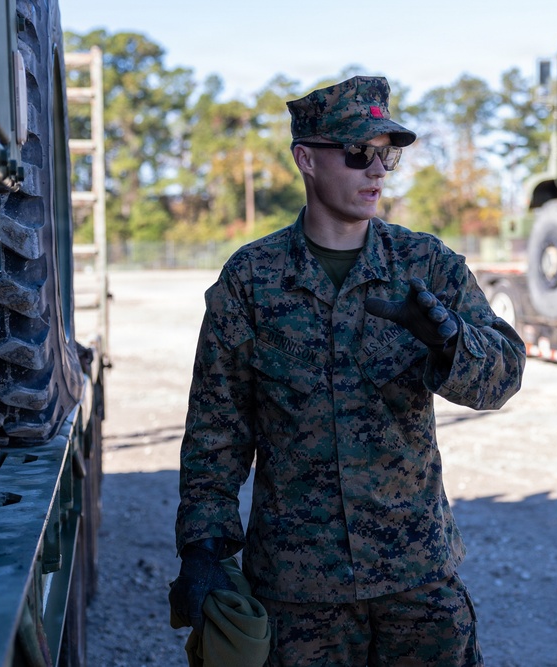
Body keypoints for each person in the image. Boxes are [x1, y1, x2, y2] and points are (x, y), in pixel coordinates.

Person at [169, 75, 527, 666]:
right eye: (359, 152)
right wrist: (203, 548)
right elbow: (216, 431)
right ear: (306, 159)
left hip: (416, 580)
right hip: (299, 592)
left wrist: (450, 341)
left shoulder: (424, 263)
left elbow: (504, 374)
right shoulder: (252, 280)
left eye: (387, 154)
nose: (377, 170)